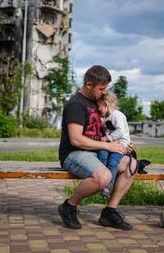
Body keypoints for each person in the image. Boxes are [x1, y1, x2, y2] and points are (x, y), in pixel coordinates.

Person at [58, 65, 137, 230]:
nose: (103, 92)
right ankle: (69, 206)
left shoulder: (98, 103)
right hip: (74, 153)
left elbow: (111, 129)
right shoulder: (76, 104)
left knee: (132, 164)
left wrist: (123, 143)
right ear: (89, 85)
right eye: (101, 88)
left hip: (96, 152)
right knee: (103, 177)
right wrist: (109, 146)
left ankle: (109, 212)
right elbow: (76, 139)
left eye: (105, 88)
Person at [97, 90, 131, 198]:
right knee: (102, 155)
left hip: (121, 145)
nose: (98, 109)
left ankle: (108, 186)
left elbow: (120, 131)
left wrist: (107, 138)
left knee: (112, 162)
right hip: (110, 144)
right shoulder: (106, 117)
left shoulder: (117, 115)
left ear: (106, 104)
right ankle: (101, 178)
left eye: (99, 106)